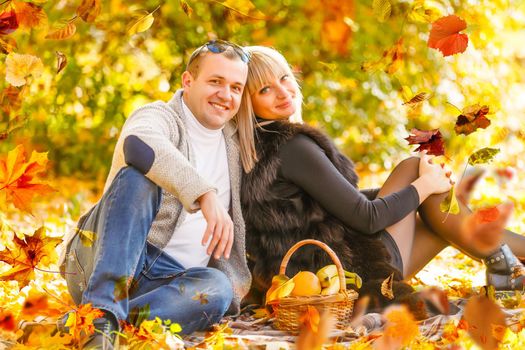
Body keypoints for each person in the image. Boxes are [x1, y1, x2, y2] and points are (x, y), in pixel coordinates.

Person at [239, 46, 525, 317]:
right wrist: (423, 187)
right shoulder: (292, 147)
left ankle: (504, 268)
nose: (282, 91)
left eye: (284, 77)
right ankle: (504, 267)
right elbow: (367, 218)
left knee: (440, 216)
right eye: (265, 89)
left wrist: (422, 194)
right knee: (415, 169)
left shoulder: (260, 148)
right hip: (354, 275)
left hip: (327, 277)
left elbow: (337, 205)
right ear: (247, 103)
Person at [58, 40, 255, 348]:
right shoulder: (159, 116)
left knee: (218, 286)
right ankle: (100, 313)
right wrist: (204, 194)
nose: (225, 95)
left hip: (167, 282)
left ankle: (97, 324)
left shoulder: (236, 143)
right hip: (104, 260)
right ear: (188, 81)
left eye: (236, 87)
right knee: (140, 178)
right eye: (215, 82)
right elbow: (137, 144)